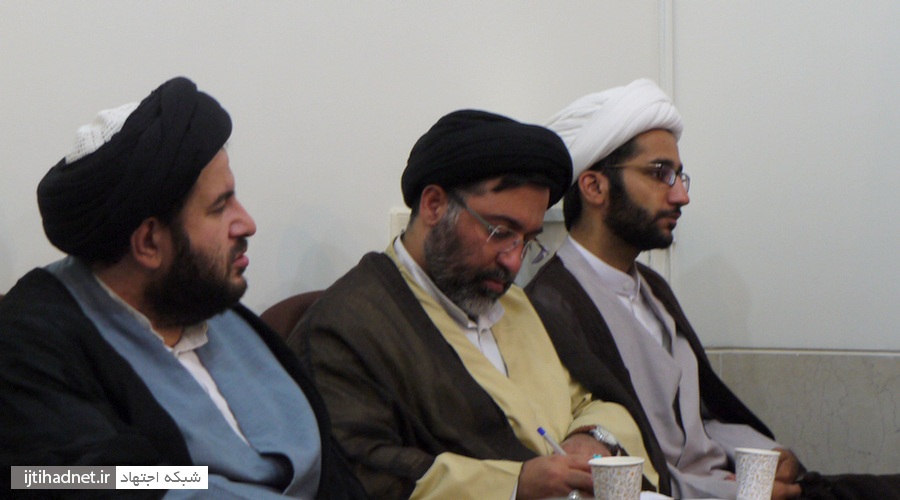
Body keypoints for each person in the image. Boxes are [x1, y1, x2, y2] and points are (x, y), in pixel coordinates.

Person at [525, 79, 900, 500]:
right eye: (659, 174)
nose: (681, 195)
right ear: (595, 187)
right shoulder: (550, 305)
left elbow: (696, 421)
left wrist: (765, 452)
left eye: (679, 176)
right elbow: (619, 466)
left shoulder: (652, 288)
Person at [0, 77, 365, 498]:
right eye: (220, 206)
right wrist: (192, 482)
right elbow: (69, 479)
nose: (247, 224)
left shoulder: (208, 306)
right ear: (149, 243)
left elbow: (332, 472)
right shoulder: (29, 344)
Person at [288, 109, 671, 500]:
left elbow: (593, 399)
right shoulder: (346, 327)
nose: (514, 261)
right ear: (434, 205)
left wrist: (591, 438)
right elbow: (361, 470)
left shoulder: (517, 306)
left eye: (527, 240)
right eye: (500, 232)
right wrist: (516, 484)